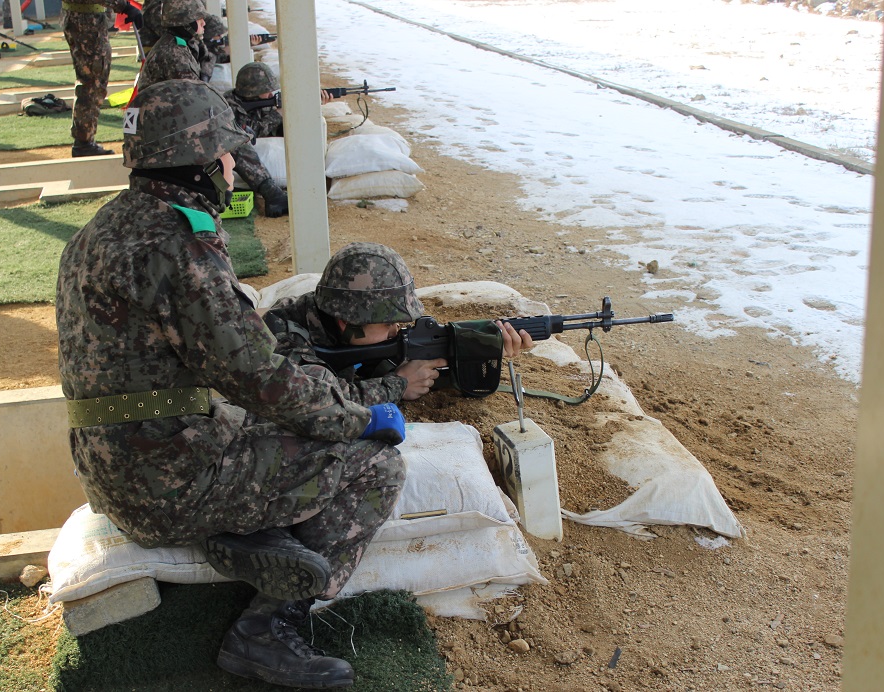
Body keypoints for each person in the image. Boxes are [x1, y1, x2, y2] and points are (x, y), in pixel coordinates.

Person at [55, 79, 407, 689]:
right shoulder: (177, 245)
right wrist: (361, 413)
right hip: (168, 482)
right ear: (200, 162)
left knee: (273, 431)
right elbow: (259, 376)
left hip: (115, 466)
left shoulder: (100, 231)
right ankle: (267, 631)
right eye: (225, 155)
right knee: (375, 466)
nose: (232, 168)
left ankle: (251, 531)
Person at [263, 242, 533, 405]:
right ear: (348, 322)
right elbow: (318, 403)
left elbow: (378, 369)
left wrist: (479, 349)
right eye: (389, 324)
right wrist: (397, 385)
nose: (397, 331)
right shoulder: (286, 339)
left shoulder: (337, 323)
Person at [62, 0, 142, 157]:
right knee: (93, 82)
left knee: (90, 79)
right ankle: (83, 142)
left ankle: (84, 140)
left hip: (83, 18)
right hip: (87, 21)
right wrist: (124, 6)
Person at [222, 61, 295, 217]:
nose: (271, 95)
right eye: (266, 91)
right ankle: (273, 195)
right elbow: (247, 133)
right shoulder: (228, 106)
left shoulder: (261, 101)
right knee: (236, 141)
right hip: (228, 154)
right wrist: (278, 114)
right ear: (252, 91)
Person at [134, 0, 215, 91]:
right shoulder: (173, 53)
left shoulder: (185, 42)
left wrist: (205, 76)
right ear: (185, 23)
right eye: (198, 18)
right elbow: (196, 93)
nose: (203, 23)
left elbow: (208, 58)